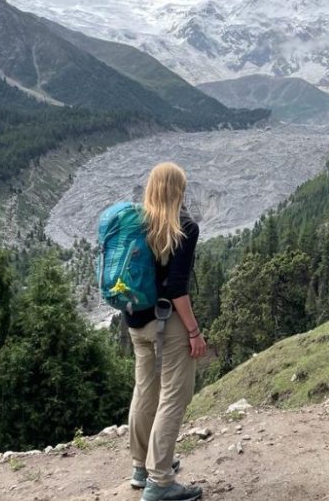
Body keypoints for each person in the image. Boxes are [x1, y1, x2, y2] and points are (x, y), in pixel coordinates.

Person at [125, 162, 206, 501]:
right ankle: (160, 483)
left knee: (145, 391)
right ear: (178, 190)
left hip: (135, 322)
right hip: (167, 322)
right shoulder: (184, 226)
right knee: (174, 396)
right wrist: (194, 331)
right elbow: (176, 288)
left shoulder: (135, 223)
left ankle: (141, 469)